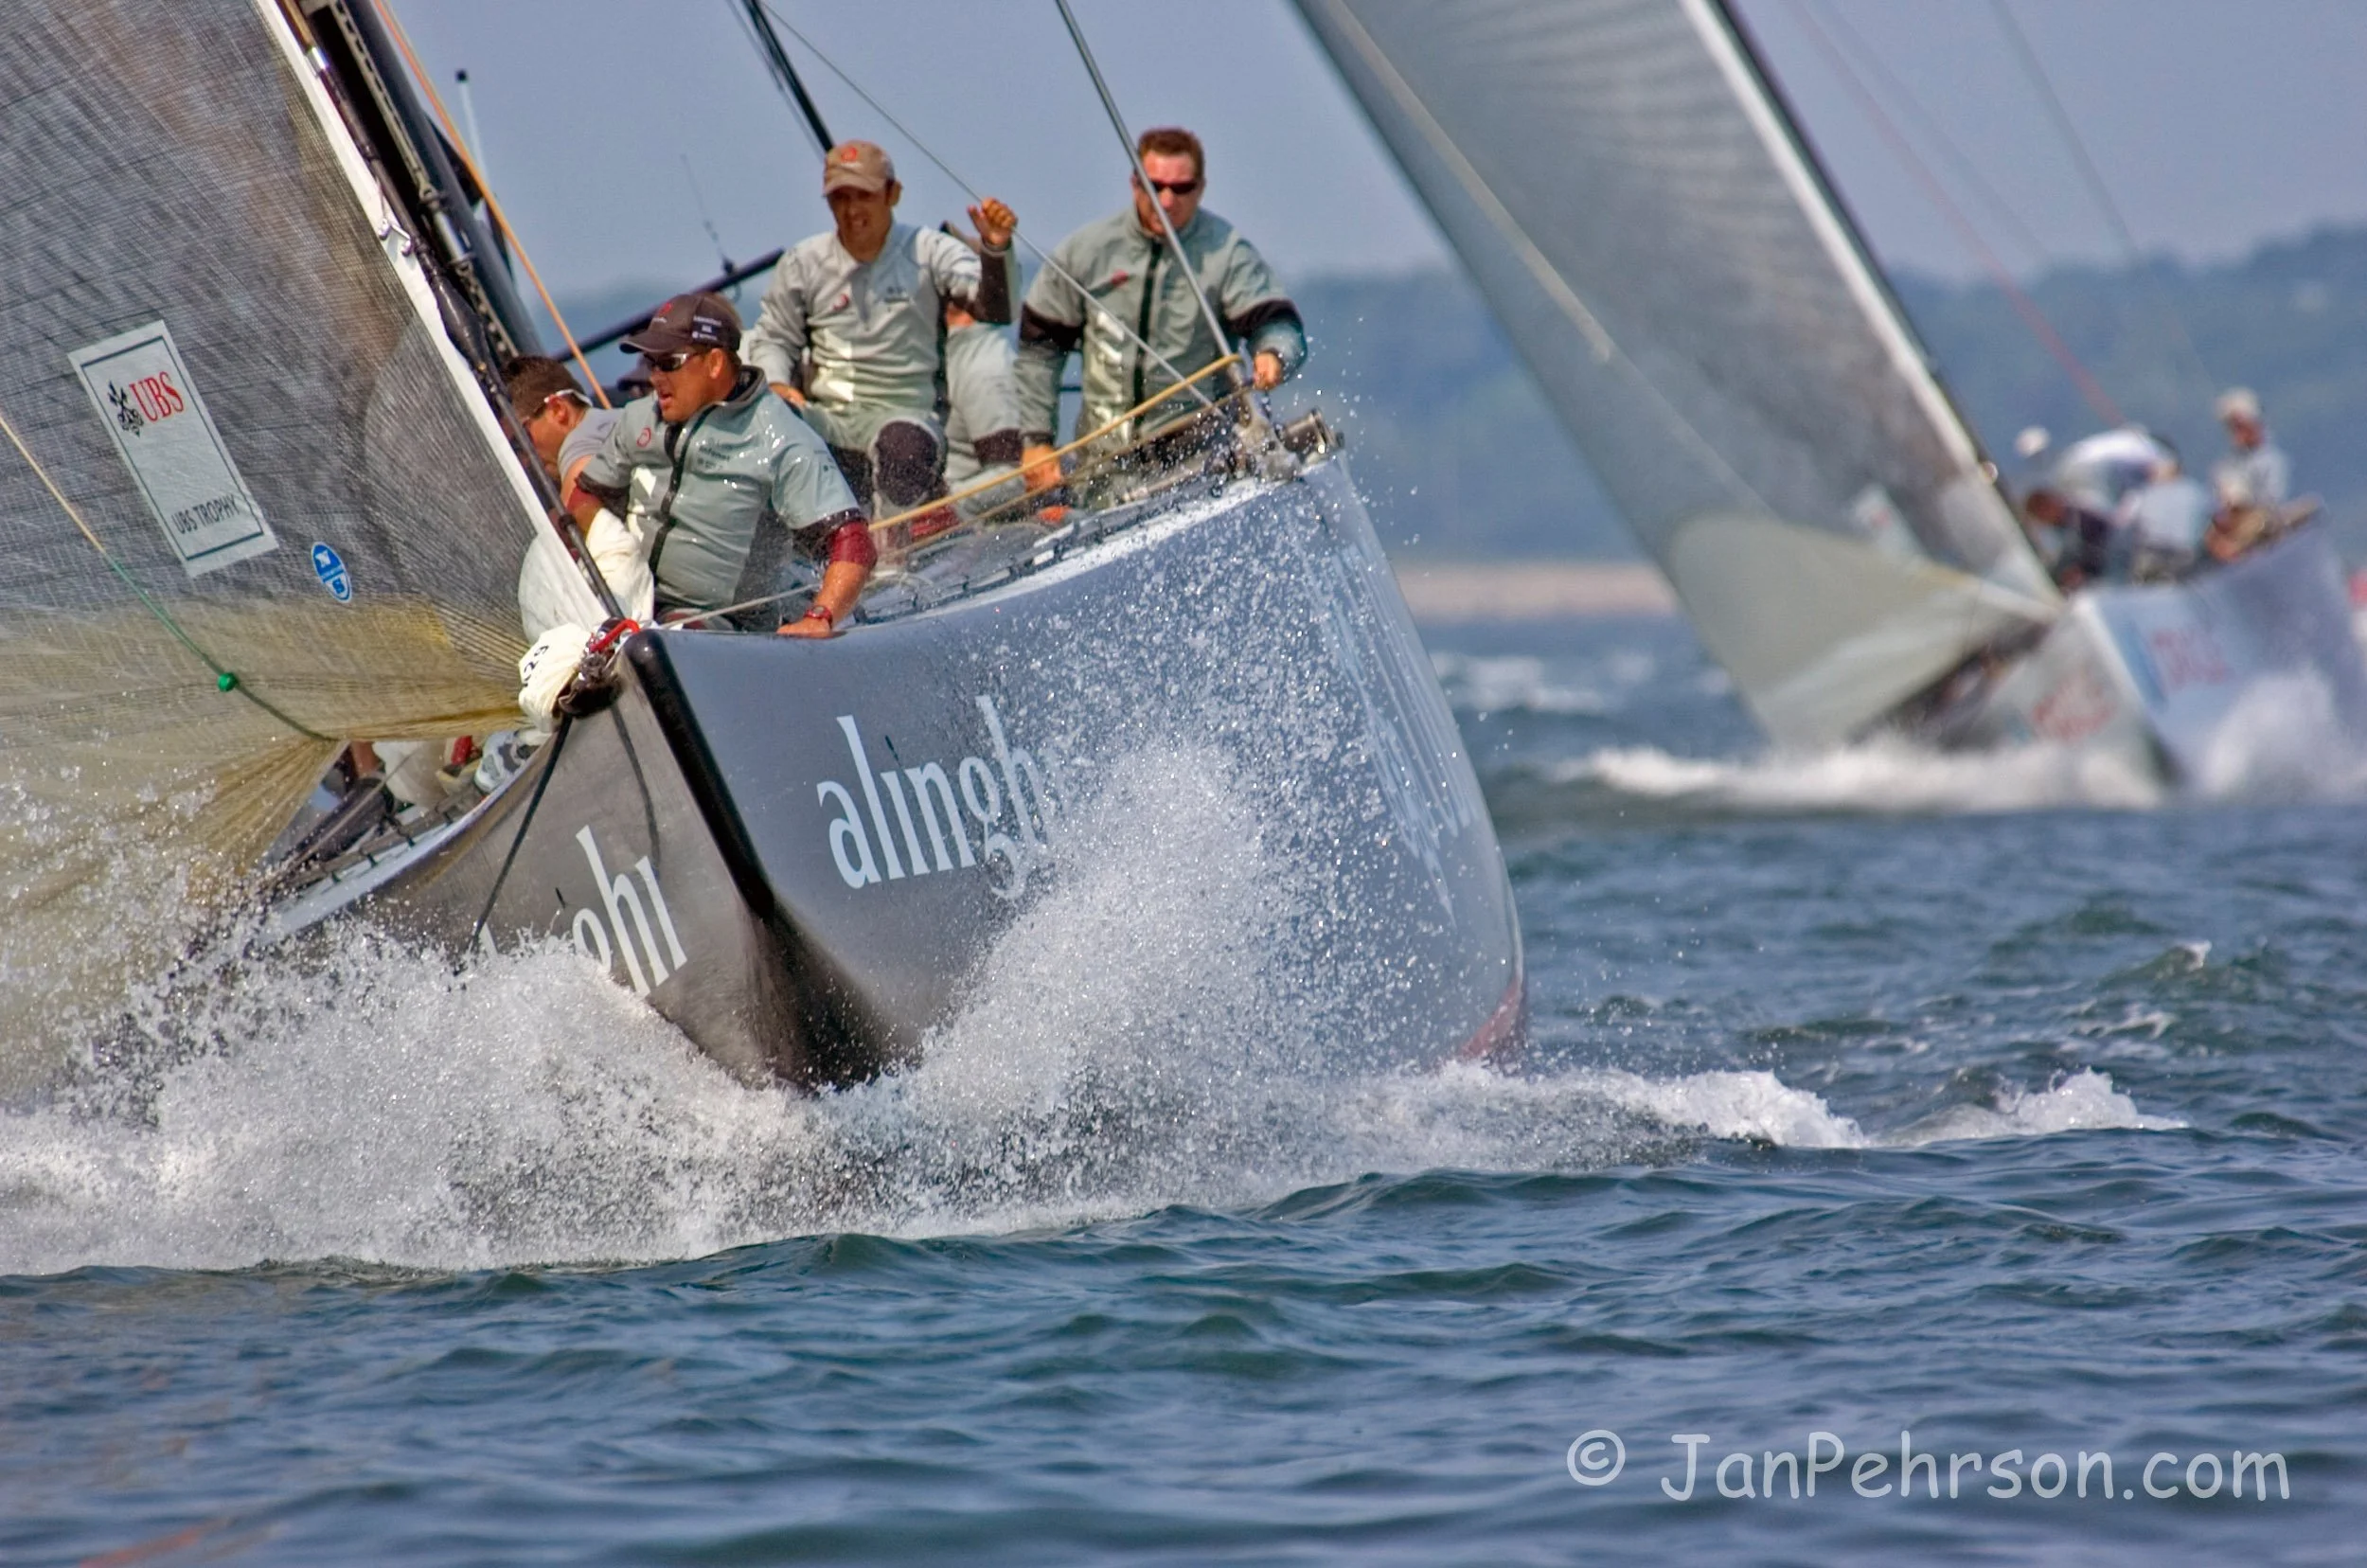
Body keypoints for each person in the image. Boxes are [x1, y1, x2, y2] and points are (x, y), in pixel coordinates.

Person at [1015, 126, 1306, 490]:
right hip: (1102, 472)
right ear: (1135, 184)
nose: (1167, 201)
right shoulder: (1087, 251)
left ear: (1200, 188)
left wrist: (1274, 355)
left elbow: (1278, 323)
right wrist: (1037, 442)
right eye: (1155, 186)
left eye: (1181, 189)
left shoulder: (1227, 253)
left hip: (1199, 467)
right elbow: (1038, 350)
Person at [571, 292, 873, 637]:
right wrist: (617, 557)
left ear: (715, 363)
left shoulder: (781, 438)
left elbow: (853, 542)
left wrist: (820, 617)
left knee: (667, 639)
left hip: (719, 625)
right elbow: (584, 497)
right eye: (650, 362)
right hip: (623, 601)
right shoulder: (636, 418)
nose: (655, 377)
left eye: (669, 362)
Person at [744, 140, 1017, 519]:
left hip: (906, 417)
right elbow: (774, 337)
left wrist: (995, 249)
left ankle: (894, 559)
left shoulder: (929, 250)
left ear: (893, 194)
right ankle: (790, 565)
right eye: (840, 198)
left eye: (864, 196)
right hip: (829, 416)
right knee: (767, 424)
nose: (852, 210)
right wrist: (776, 384)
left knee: (902, 449)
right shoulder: (802, 262)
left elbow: (995, 311)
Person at [2210, 386, 2291, 513]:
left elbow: (2273, 501)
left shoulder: (2272, 461)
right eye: (2231, 426)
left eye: (2240, 426)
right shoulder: (2226, 465)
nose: (2235, 432)